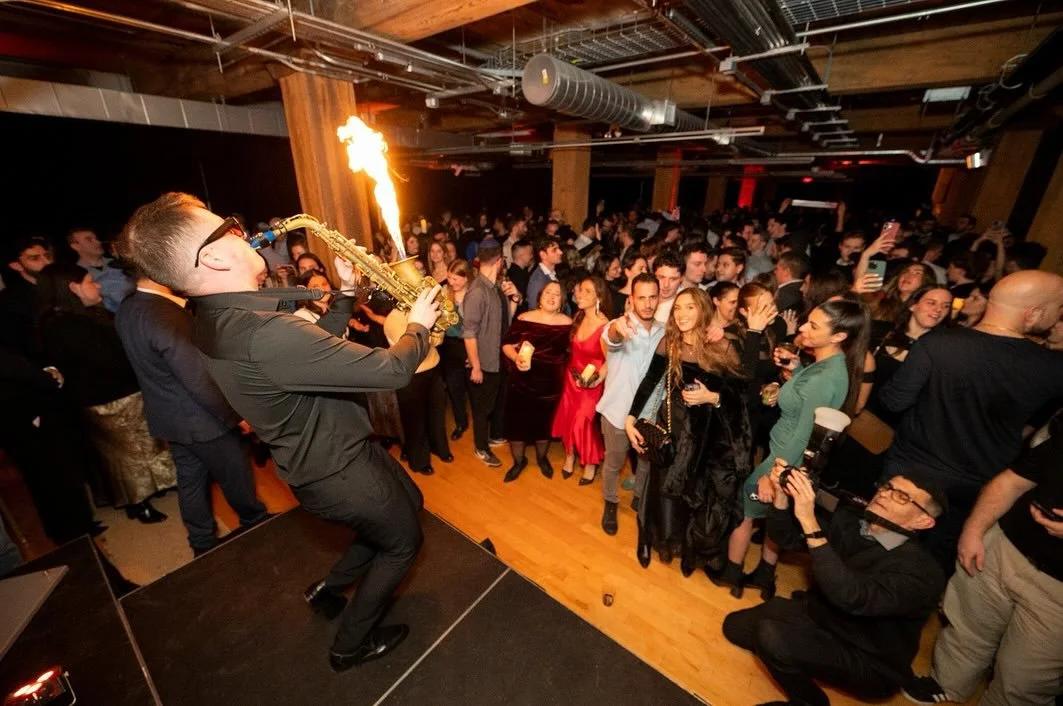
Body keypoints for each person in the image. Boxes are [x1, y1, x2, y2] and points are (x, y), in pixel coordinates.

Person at [116, 192, 442, 671]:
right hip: (339, 469)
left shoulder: (216, 316)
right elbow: (392, 371)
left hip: (331, 457)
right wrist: (418, 326)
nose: (242, 230)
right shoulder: (261, 331)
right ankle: (349, 645)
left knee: (408, 506)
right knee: (403, 543)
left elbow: (311, 356)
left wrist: (346, 293)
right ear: (210, 257)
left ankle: (327, 590)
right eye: (227, 225)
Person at [878, 270, 1063, 571]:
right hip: (977, 484)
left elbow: (894, 401)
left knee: (879, 544)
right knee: (930, 566)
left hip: (911, 470)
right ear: (1034, 313)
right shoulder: (1053, 368)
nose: (1057, 319)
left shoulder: (938, 343)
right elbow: (1036, 428)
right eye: (1058, 310)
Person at [723, 460, 947, 706]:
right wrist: (781, 497)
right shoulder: (853, 521)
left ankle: (810, 702)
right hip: (823, 616)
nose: (885, 495)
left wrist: (809, 521)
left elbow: (852, 596)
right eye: (887, 487)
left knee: (771, 637)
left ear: (923, 522)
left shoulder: (923, 573)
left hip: (868, 658)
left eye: (902, 497)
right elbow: (784, 539)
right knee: (735, 628)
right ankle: (801, 657)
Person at [905, 411, 1063, 706]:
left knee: (1024, 678)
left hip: (1057, 592)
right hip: (1004, 546)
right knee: (968, 626)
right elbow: (1013, 481)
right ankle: (946, 683)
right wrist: (973, 531)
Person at [721, 299, 870, 599]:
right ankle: (765, 576)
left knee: (745, 508)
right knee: (777, 515)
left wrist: (774, 476)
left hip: (784, 458)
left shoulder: (826, 377)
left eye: (814, 326)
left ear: (839, 336)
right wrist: (797, 369)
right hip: (788, 457)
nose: (803, 327)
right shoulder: (830, 364)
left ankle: (731, 573)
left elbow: (803, 435)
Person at [115, 276, 268, 555]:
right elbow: (199, 380)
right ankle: (256, 524)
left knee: (191, 481)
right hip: (204, 420)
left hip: (170, 417)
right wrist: (236, 417)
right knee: (236, 475)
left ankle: (201, 542)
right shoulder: (165, 314)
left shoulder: (129, 307)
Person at [35, 263, 177, 522]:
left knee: (137, 449)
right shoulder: (69, 325)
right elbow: (107, 360)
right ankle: (138, 501)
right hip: (109, 399)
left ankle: (152, 490)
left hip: (109, 395)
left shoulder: (75, 317)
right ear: (74, 287)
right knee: (130, 455)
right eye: (91, 281)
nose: (98, 285)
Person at [625, 287, 754, 573]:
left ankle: (688, 550)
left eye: (689, 308)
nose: (681, 314)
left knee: (695, 494)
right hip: (672, 430)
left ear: (703, 311)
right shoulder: (669, 343)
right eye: (678, 308)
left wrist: (712, 397)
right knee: (661, 489)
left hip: (706, 434)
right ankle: (650, 537)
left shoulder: (723, 347)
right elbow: (649, 382)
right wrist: (631, 417)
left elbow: (742, 396)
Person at [597, 273, 663, 534]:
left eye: (652, 297)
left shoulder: (664, 331)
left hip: (648, 415)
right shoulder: (618, 324)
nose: (647, 303)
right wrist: (617, 330)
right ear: (632, 299)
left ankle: (639, 497)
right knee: (613, 464)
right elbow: (611, 337)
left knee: (646, 463)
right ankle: (611, 502)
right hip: (616, 412)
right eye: (642, 298)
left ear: (659, 298)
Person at [499, 281, 572, 482]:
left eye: (556, 294)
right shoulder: (524, 318)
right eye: (547, 292)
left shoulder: (568, 324)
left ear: (561, 302)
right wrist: (516, 358)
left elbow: (573, 353)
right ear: (539, 297)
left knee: (544, 425)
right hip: (521, 381)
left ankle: (542, 459)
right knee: (517, 426)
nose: (551, 296)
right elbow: (506, 344)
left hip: (550, 384)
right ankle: (518, 462)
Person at [464, 241, 520, 467]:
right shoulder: (477, 291)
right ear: (499, 261)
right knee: (482, 408)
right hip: (485, 362)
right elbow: (469, 333)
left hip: (499, 358)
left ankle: (494, 436)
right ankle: (481, 447)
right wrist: (476, 366)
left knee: (496, 403)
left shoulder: (495, 286)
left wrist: (515, 298)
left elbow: (505, 320)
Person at [552, 276, 611, 483]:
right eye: (579, 290)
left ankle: (591, 462)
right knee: (568, 418)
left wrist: (595, 379)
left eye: (586, 291)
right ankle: (570, 455)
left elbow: (609, 360)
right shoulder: (578, 317)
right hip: (571, 378)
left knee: (582, 422)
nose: (579, 294)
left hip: (592, 383)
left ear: (598, 296)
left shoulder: (605, 326)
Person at [0, 236, 54, 355]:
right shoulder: (12, 301)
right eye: (34, 258)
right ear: (16, 265)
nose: (47, 262)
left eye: (47, 256)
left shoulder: (62, 285)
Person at [441, 259, 473, 440]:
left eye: (456, 279)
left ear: (467, 277)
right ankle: (461, 422)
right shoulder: (445, 293)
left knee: (474, 388)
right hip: (450, 346)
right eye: (449, 278)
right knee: (454, 388)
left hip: (470, 344)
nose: (452, 283)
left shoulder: (474, 295)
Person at [67, 228, 135, 313]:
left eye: (96, 239)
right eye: (89, 240)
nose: (98, 242)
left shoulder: (118, 263)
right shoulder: (77, 275)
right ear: (75, 246)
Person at [526, 237, 563, 313]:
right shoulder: (538, 280)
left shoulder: (551, 273)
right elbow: (535, 310)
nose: (560, 252)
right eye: (554, 250)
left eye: (559, 248)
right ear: (543, 255)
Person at [610, 250, 648, 316]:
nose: (645, 272)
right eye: (641, 269)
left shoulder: (648, 294)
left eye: (646, 269)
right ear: (627, 272)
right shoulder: (616, 299)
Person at [652, 250, 684, 325]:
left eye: (673, 279)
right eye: (661, 277)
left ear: (681, 279)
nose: (666, 285)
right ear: (653, 275)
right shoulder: (641, 296)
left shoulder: (685, 305)